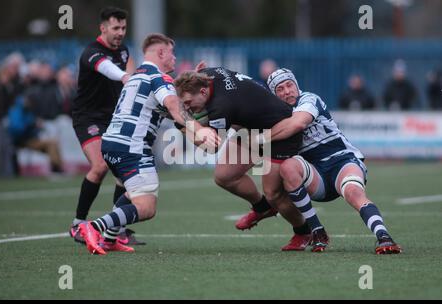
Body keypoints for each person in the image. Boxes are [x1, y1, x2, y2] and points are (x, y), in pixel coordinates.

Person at [78, 33, 220, 254]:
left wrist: (191, 75)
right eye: (171, 53)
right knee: (146, 207)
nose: (174, 58)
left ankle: (109, 239)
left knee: (129, 192)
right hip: (132, 148)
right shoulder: (158, 78)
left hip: (111, 144)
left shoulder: (136, 76)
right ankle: (93, 227)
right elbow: (174, 105)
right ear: (161, 53)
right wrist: (200, 129)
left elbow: (169, 99)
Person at [174, 68, 330, 252]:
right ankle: (262, 207)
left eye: (189, 103)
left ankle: (303, 231)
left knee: (274, 194)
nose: (187, 107)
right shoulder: (207, 73)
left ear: (202, 91)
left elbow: (210, 147)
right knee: (224, 176)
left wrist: (181, 124)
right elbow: (195, 77)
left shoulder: (221, 107)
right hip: (252, 127)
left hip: (279, 131)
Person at [251, 68, 401, 254]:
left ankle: (384, 237)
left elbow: (297, 123)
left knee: (353, 192)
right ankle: (317, 230)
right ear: (274, 94)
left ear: (296, 85)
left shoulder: (309, 99)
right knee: (288, 167)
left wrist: (259, 138)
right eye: (280, 89)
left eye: (289, 85)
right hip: (316, 175)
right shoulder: (274, 115)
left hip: (342, 161)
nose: (287, 91)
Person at [70, 7, 141, 245]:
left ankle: (115, 228)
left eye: (123, 28)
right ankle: (78, 223)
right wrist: (123, 76)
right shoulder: (92, 52)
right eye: (115, 28)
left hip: (112, 118)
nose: (120, 32)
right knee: (100, 166)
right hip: (88, 118)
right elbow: (106, 69)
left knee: (124, 172)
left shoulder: (122, 51)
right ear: (103, 28)